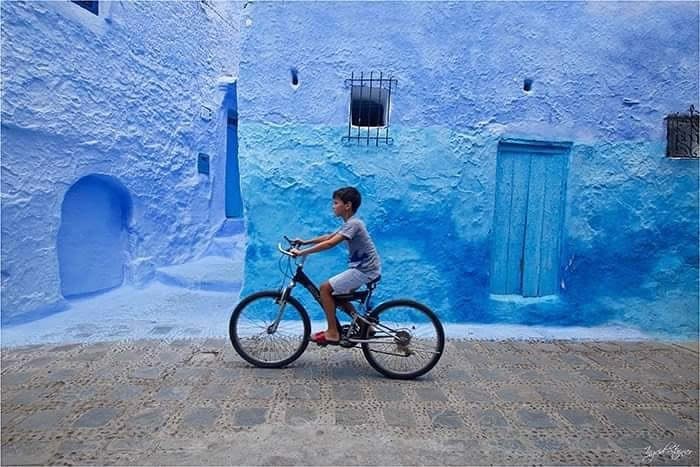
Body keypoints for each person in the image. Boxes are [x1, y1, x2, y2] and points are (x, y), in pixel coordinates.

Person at [290, 187, 381, 345]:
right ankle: (364, 326)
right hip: (364, 268)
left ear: (347, 205)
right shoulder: (349, 224)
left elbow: (330, 243)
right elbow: (329, 237)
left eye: (335, 203)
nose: (333, 206)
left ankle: (332, 332)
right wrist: (305, 242)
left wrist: (303, 252)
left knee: (325, 289)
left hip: (364, 270)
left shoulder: (354, 224)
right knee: (338, 296)